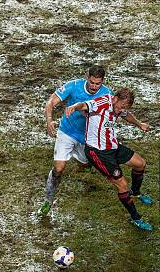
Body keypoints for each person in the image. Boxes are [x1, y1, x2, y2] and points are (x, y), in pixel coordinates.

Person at [64, 88, 153, 230]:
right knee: (122, 184)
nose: (121, 110)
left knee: (140, 164)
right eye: (121, 106)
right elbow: (84, 105)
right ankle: (136, 218)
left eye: (125, 107)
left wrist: (139, 124)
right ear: (115, 98)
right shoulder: (101, 102)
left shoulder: (120, 107)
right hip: (98, 152)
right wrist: (74, 107)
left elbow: (126, 114)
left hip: (112, 146)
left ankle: (136, 193)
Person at [37, 65, 111, 216]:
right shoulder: (74, 85)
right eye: (92, 82)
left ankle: (84, 164)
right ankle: (47, 201)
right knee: (58, 169)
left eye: (98, 84)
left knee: (86, 163)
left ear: (103, 81)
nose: (94, 87)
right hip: (67, 132)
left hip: (88, 137)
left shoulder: (107, 94)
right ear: (87, 77)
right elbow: (51, 102)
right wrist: (49, 120)